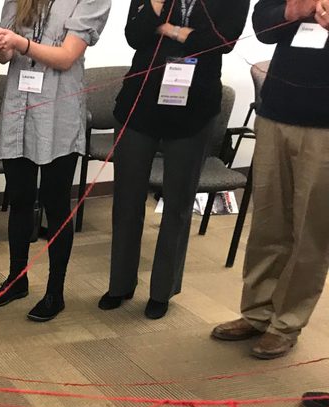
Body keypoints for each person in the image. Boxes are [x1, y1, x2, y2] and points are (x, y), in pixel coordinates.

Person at [99, 0, 248, 320]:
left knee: (178, 204)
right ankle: (120, 284)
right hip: (140, 103)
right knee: (126, 199)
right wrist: (155, 9)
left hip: (194, 107)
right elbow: (134, 36)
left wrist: (172, 30)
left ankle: (162, 290)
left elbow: (223, 41)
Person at [211, 0, 329, 359]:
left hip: (325, 127)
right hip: (276, 111)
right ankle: (257, 313)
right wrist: (293, 10)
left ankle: (286, 323)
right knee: (267, 222)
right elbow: (263, 24)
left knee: (309, 231)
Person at [0, 0, 110, 322]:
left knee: (55, 205)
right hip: (19, 110)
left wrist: (20, 43)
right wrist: (0, 45)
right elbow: (6, 55)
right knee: (20, 199)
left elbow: (67, 57)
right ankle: (16, 279)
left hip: (59, 113)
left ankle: (56, 291)